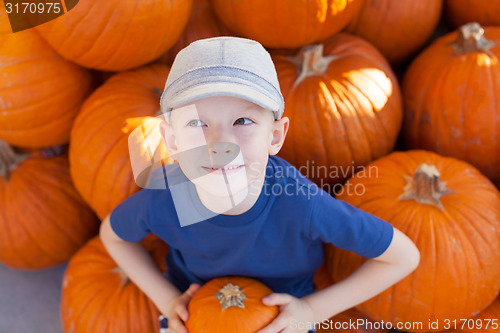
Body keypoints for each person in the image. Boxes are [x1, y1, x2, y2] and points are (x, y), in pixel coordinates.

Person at [100, 36, 420, 333]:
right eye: (198, 123)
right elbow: (113, 237)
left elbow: (403, 256)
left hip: (280, 319)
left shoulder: (299, 202)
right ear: (171, 141)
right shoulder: (166, 197)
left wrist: (310, 309)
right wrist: (167, 299)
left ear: (275, 135)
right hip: (196, 312)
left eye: (243, 121)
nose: (220, 142)